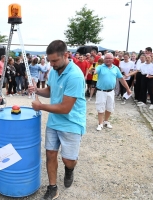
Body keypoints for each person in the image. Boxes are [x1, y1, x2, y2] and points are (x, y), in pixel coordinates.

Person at [29, 40, 86, 200]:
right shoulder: (54, 70)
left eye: (55, 60)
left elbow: (65, 108)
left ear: (66, 55)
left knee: (68, 160)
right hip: (54, 122)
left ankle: (70, 169)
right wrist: (37, 90)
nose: (52, 64)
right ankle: (52, 187)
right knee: (50, 154)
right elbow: (50, 90)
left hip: (72, 122)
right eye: (50, 60)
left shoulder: (75, 75)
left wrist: (40, 106)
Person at [92, 53, 131, 131]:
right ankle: (100, 123)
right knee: (100, 107)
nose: (108, 60)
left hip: (111, 91)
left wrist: (127, 89)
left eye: (110, 58)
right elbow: (95, 71)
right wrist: (93, 71)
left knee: (109, 107)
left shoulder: (115, 68)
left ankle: (106, 121)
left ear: (113, 60)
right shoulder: (100, 67)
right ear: (104, 59)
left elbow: (121, 79)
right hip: (101, 91)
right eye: (106, 58)